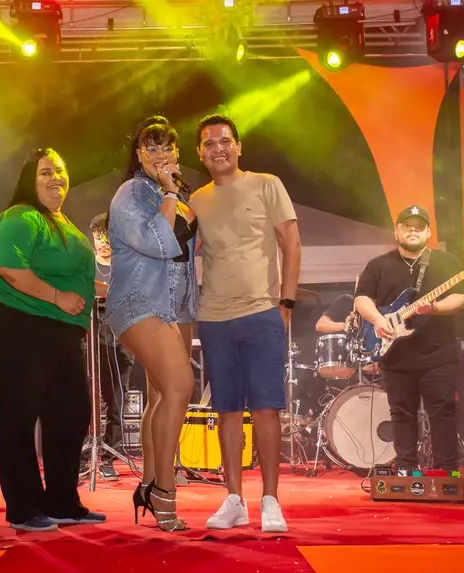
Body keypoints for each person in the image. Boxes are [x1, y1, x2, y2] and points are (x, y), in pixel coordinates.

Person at [0, 148, 106, 532]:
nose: (56, 178)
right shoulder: (21, 216)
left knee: (70, 415)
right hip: (25, 325)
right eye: (46, 172)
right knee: (20, 418)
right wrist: (58, 297)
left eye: (60, 170)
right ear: (29, 180)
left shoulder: (61, 221)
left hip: (61, 331)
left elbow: (73, 275)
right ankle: (24, 507)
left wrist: (106, 289)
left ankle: (62, 501)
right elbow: (10, 269)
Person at [190, 113, 300, 533]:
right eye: (209, 143)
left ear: (238, 146)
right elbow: (179, 251)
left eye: (225, 141)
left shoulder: (267, 184)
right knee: (227, 409)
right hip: (214, 316)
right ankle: (234, 499)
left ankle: (271, 500)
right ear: (200, 153)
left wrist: (286, 302)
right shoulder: (196, 200)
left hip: (261, 310)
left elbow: (291, 243)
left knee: (266, 407)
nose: (218, 148)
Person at [106, 116, 198, 532]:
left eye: (168, 147)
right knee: (180, 386)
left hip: (169, 307)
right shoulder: (133, 192)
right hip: (138, 301)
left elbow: (185, 258)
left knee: (161, 395)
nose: (161, 154)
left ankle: (148, 484)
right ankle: (164, 490)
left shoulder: (170, 193)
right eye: (152, 147)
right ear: (139, 154)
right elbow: (159, 244)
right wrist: (170, 194)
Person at [354, 205, 464, 472]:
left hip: (438, 353)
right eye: (407, 226)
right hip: (395, 354)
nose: (413, 231)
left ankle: (445, 472)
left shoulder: (447, 261)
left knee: (442, 412)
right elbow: (361, 299)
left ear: (428, 232)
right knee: (401, 412)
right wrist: (378, 320)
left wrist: (435, 307)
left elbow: (461, 297)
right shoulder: (378, 265)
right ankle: (406, 469)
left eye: (419, 227)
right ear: (396, 232)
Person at [82, 212, 135, 481]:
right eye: (98, 238)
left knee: (116, 403)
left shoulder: (126, 265)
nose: (103, 243)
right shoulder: (85, 265)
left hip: (120, 339)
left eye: (107, 237)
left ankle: (109, 459)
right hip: (90, 339)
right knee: (85, 402)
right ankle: (83, 457)